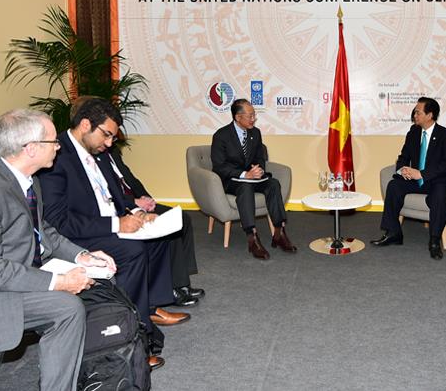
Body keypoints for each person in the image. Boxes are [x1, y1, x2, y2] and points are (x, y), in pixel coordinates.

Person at [0, 109, 117, 390]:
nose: (59, 146)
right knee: (66, 308)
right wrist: (58, 282)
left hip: (12, 275)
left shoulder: (25, 179)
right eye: (53, 141)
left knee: (99, 282)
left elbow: (43, 231)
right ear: (31, 149)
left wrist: (82, 256)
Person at [39, 98, 190, 353]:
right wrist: (117, 224)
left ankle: (147, 309)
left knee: (158, 238)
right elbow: (58, 221)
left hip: (108, 225)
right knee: (132, 252)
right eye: (106, 134)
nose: (109, 143)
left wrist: (138, 213)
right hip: (80, 235)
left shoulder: (97, 153)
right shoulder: (58, 157)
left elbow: (116, 196)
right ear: (85, 125)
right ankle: (132, 335)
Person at [107, 144, 204, 305]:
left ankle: (182, 282)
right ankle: (172, 288)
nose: (112, 140)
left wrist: (148, 199)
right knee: (168, 227)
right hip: (122, 209)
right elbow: (109, 193)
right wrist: (134, 202)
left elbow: (131, 180)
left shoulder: (112, 151)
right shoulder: (93, 157)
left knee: (182, 218)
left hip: (136, 203)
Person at [371, 97, 446, 259]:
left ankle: (434, 240)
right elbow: (403, 156)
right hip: (416, 180)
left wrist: (422, 174)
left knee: (439, 196)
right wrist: (402, 169)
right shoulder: (413, 132)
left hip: (436, 180)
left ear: (430, 115)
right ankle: (393, 233)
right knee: (394, 186)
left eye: (418, 112)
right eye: (414, 112)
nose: (414, 115)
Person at [210, 98, 296, 260]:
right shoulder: (221, 136)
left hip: (252, 178)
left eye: (254, 115)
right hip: (232, 180)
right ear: (238, 117)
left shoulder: (255, 133)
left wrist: (258, 170)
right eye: (249, 116)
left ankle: (279, 232)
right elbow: (219, 166)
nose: (253, 119)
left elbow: (259, 157)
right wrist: (244, 175)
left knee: (273, 184)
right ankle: (252, 238)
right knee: (245, 187)